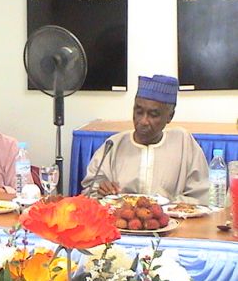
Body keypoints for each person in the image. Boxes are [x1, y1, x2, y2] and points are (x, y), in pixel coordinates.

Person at [81, 74, 209, 204]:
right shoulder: (113, 145)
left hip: (171, 216)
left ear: (170, 116)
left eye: (153, 115)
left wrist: (165, 205)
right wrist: (103, 191)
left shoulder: (183, 143)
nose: (143, 121)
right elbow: (89, 194)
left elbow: (201, 197)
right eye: (139, 112)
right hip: (119, 216)